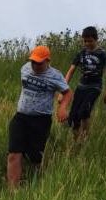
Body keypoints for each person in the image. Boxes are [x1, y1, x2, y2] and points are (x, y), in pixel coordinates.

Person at [7, 46, 72, 189]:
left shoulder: (55, 76)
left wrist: (62, 108)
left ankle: (37, 184)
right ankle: (12, 192)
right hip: (21, 117)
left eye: (39, 63)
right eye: (33, 62)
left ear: (48, 61)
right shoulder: (25, 68)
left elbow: (67, 92)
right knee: (14, 153)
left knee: (35, 157)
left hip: (41, 120)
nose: (35, 65)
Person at [64, 27, 106, 141]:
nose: (87, 43)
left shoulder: (102, 54)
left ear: (96, 39)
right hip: (81, 86)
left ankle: (85, 137)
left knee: (84, 111)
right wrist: (63, 90)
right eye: (85, 41)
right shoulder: (81, 53)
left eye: (90, 41)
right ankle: (76, 142)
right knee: (73, 117)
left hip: (94, 86)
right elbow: (71, 70)